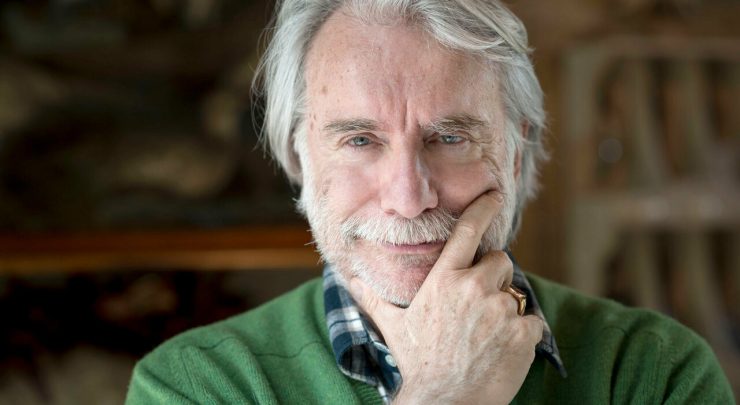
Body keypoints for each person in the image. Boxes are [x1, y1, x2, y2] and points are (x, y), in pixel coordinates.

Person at [126, 0, 734, 403]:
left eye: (450, 138)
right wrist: (444, 393)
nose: (408, 198)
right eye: (360, 140)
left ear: (515, 155)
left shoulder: (653, 370)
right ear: (299, 159)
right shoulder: (194, 386)